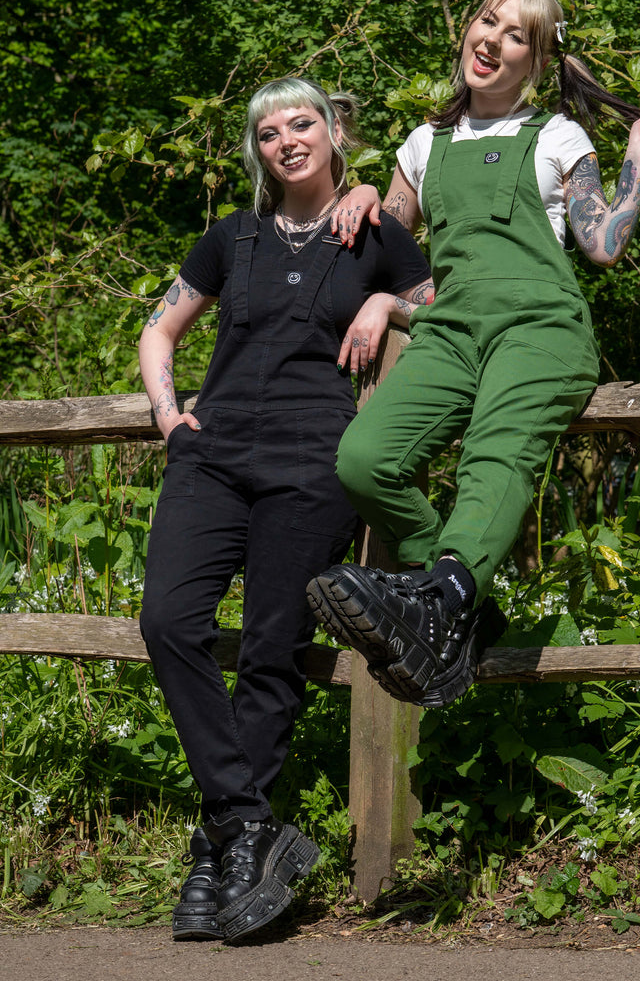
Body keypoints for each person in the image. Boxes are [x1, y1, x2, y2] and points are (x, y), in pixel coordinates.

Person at [306, 0, 640, 709]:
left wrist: (637, 154)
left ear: (534, 62)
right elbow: (387, 245)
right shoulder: (424, 145)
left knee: (494, 453)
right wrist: (361, 198)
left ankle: (442, 600)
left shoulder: (558, 137)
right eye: (487, 20)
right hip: (449, 332)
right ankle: (455, 603)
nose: (491, 40)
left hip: (539, 330)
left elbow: (602, 245)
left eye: (516, 36)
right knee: (364, 459)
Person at [138, 77, 432, 943]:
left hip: (312, 461)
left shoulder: (376, 233)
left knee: (272, 650)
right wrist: (170, 417)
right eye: (269, 133)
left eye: (302, 124)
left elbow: (441, 305)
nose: (287, 141)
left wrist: (383, 300)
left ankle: (218, 854)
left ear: (333, 131)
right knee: (168, 623)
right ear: (256, 151)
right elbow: (159, 330)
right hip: (213, 454)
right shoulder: (231, 236)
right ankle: (247, 825)